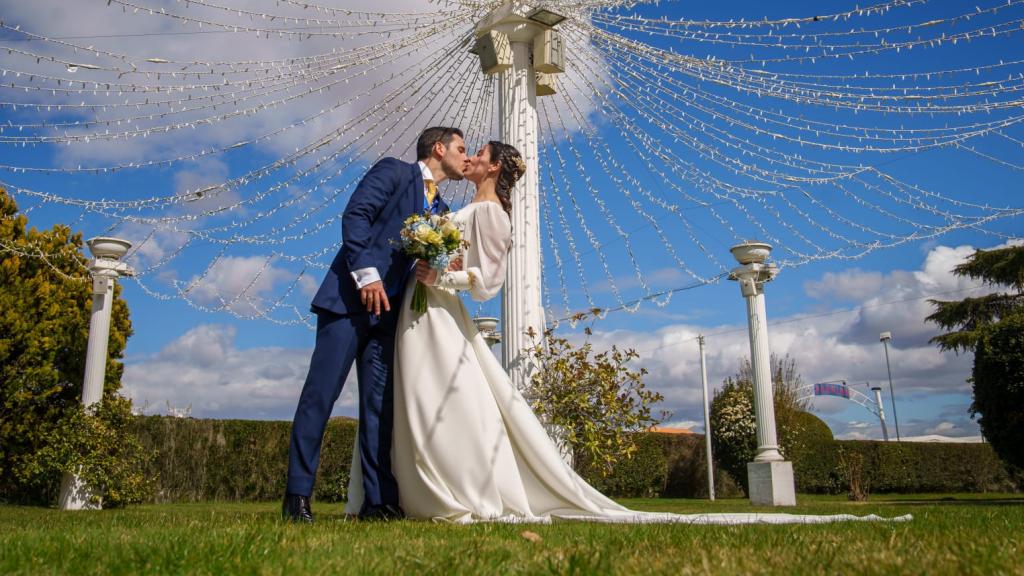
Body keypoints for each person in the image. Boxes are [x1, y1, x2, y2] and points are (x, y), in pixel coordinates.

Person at [344, 141, 913, 527]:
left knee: (446, 401)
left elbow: (487, 284)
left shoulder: (492, 215)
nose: (469, 158)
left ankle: (458, 490)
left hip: (443, 308)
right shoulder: (453, 207)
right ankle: (408, 489)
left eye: (479, 154)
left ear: (493, 168)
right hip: (423, 311)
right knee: (413, 400)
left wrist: (440, 270)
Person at [282, 127, 468, 523]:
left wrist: (439, 263)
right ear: (439, 148)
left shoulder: (442, 210)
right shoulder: (395, 172)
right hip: (349, 302)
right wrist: (367, 276)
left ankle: (378, 501)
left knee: (379, 408)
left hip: (391, 315)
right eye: (461, 149)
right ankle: (297, 497)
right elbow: (356, 216)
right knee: (321, 396)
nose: (466, 157)